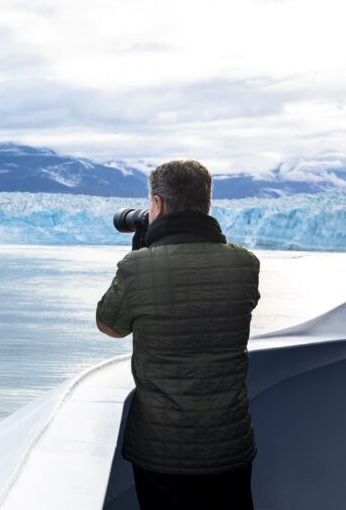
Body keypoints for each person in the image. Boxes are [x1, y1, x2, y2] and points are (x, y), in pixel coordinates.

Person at [96, 159, 261, 510]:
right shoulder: (246, 264)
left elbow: (109, 325)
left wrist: (142, 251)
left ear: (156, 205)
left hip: (162, 450)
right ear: (207, 203)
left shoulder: (138, 267)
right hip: (229, 444)